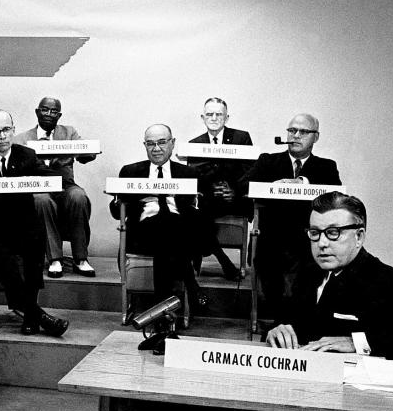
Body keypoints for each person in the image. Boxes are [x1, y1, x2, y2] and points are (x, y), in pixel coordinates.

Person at [267, 192, 393, 362]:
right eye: (315, 233)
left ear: (359, 237)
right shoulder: (306, 274)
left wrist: (356, 343)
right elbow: (285, 322)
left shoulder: (387, 280)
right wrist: (276, 331)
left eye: (333, 232)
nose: (322, 243)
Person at [0, 109, 70, 336]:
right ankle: (35, 315)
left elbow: (52, 177)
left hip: (18, 223)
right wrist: (7, 184)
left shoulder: (25, 154)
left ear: (14, 130)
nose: (2, 136)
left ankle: (29, 314)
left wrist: (35, 179)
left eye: (6, 130)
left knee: (36, 239)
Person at [239, 113, 341, 321]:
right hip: (272, 235)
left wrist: (303, 182)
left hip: (308, 237)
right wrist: (270, 186)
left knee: (311, 265)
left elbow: (336, 198)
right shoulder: (268, 161)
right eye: (292, 131)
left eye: (303, 132)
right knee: (267, 259)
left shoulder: (326, 167)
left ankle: (296, 322)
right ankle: (280, 322)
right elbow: (242, 186)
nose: (295, 136)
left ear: (316, 137)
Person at [111, 124, 204, 311]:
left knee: (168, 228)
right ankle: (191, 285)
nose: (156, 148)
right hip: (142, 233)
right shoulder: (131, 172)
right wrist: (118, 201)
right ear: (144, 145)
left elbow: (198, 211)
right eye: (150, 144)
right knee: (165, 226)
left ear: (172, 143)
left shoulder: (188, 174)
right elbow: (116, 212)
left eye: (162, 142)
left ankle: (161, 311)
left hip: (178, 234)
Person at [13, 97, 96, 278]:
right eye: (45, 110)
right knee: (41, 200)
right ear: (37, 112)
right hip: (38, 186)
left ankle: (81, 258)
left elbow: (87, 154)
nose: (49, 114)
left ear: (59, 115)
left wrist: (85, 153)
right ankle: (55, 259)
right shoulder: (21, 139)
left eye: (53, 111)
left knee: (79, 196)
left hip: (65, 185)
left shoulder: (69, 132)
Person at [186, 97, 253, 280]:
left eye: (219, 114)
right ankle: (224, 260)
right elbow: (194, 178)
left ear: (227, 117)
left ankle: (222, 260)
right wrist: (212, 188)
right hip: (210, 200)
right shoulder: (194, 144)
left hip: (236, 198)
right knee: (195, 214)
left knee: (200, 218)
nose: (214, 118)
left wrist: (233, 189)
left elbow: (249, 171)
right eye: (209, 114)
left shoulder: (242, 137)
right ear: (202, 117)